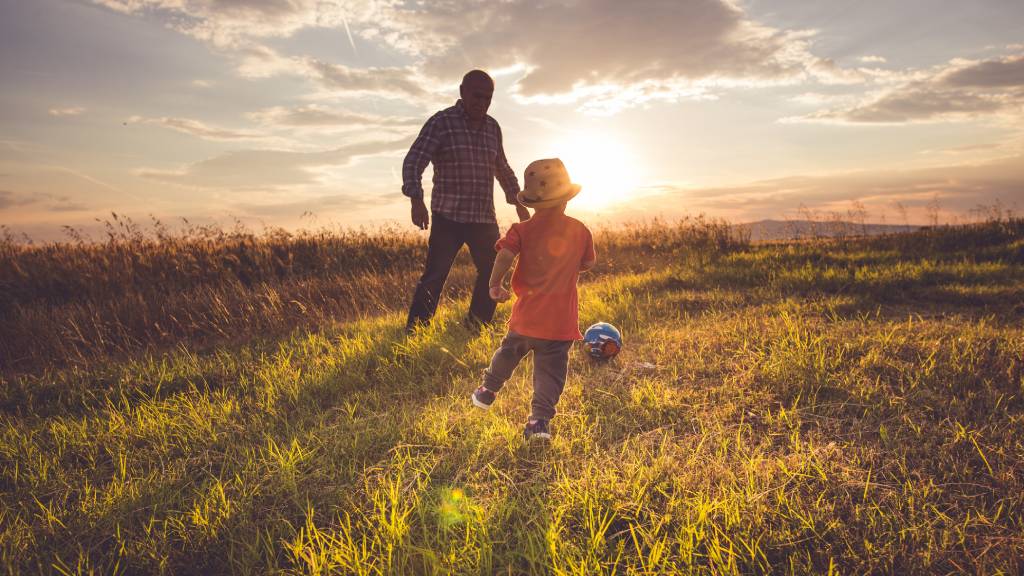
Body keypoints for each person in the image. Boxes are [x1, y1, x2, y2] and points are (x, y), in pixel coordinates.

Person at [470, 158, 596, 440]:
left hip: (526, 318)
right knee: (550, 374)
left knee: (509, 352)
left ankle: (488, 390)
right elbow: (588, 263)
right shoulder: (579, 230)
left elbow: (504, 255)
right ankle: (539, 422)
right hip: (560, 324)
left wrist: (494, 283)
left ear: (532, 203)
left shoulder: (521, 230)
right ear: (565, 200)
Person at [402, 69, 531, 333]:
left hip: (483, 219)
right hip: (447, 217)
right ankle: (415, 331)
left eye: (488, 98)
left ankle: (476, 326)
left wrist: (518, 201)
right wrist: (416, 199)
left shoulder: (493, 127)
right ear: (462, 92)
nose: (482, 102)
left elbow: (502, 168)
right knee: (435, 277)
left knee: (493, 272)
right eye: (477, 96)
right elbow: (414, 160)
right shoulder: (442, 122)